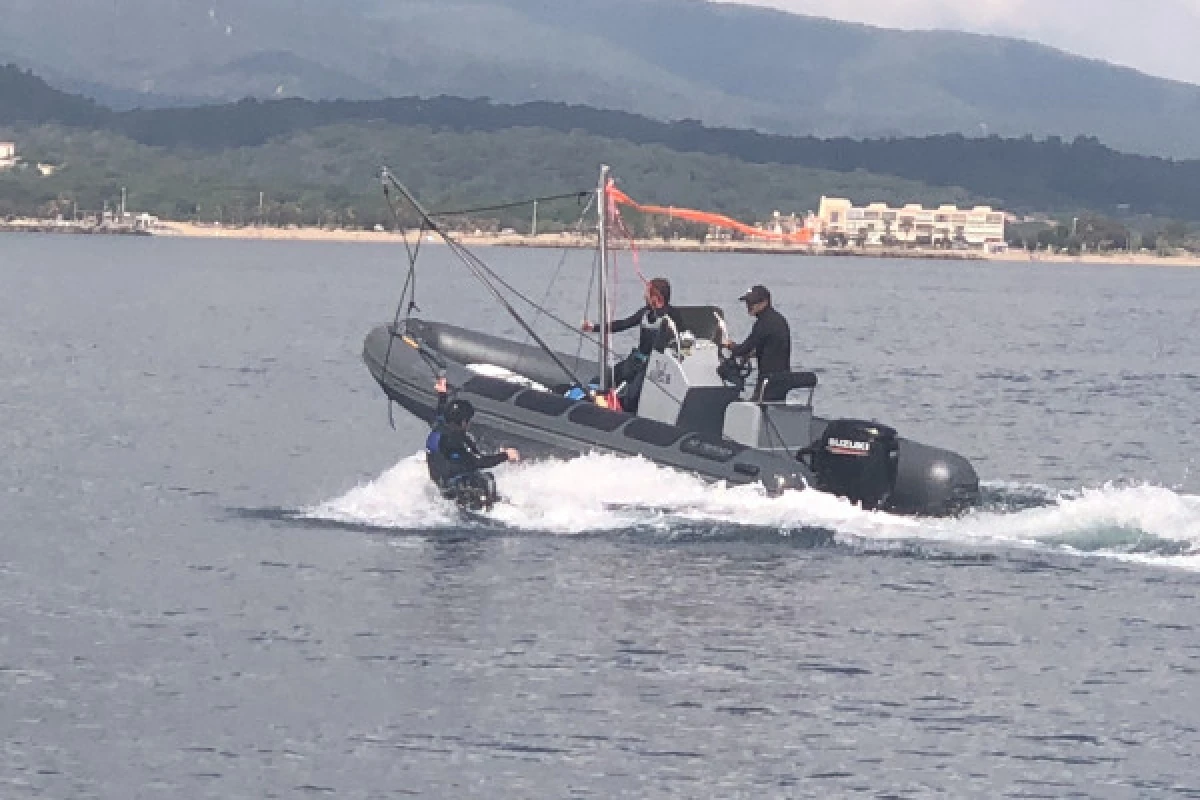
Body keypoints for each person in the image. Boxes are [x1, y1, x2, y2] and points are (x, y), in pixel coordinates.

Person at [581, 277, 681, 413]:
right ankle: (593, 400)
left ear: (656, 297)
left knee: (632, 397)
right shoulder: (645, 313)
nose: (644, 296)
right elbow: (623, 324)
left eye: (647, 293)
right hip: (636, 360)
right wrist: (594, 328)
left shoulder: (672, 316)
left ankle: (624, 407)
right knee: (605, 379)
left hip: (651, 366)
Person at [425, 375, 520, 510]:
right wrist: (505, 455)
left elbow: (441, 411)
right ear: (463, 422)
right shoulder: (454, 440)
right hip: (456, 489)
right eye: (468, 420)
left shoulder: (440, 426)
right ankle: (496, 509)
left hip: (441, 481)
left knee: (476, 476)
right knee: (487, 479)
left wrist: (442, 394)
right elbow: (479, 461)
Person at [723, 284, 792, 401]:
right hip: (782, 379)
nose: (749, 306)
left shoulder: (764, 323)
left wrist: (730, 345)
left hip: (768, 381)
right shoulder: (779, 320)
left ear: (764, 302)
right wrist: (753, 353)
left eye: (752, 303)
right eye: (747, 302)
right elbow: (773, 346)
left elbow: (744, 349)